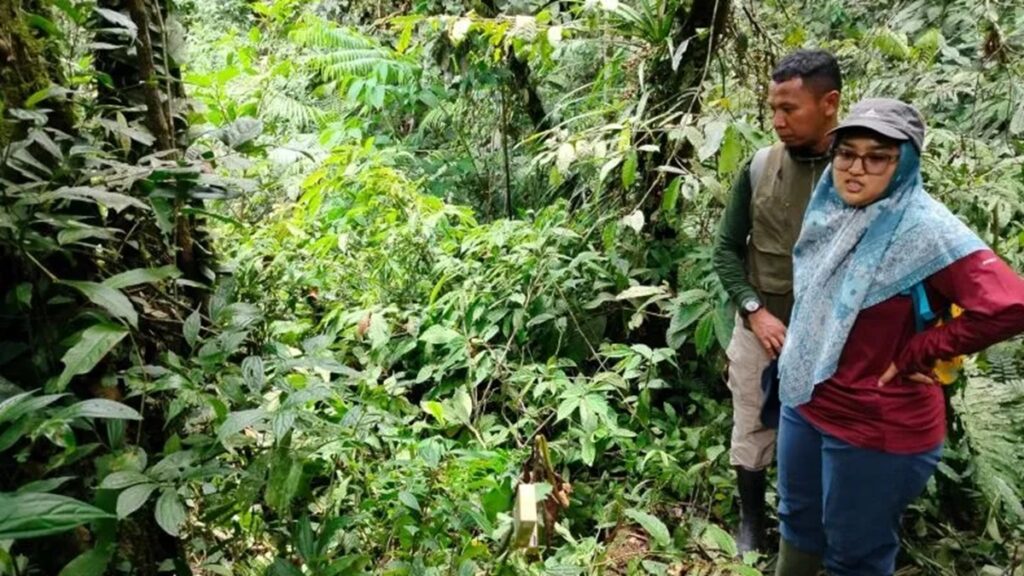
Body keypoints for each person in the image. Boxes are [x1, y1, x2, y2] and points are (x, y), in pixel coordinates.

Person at [774, 98, 1024, 575]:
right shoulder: (830, 208)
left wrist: (921, 350)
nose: (855, 169)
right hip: (806, 400)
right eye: (846, 152)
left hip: (875, 421)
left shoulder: (926, 229)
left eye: (877, 157)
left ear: (904, 161)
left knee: (856, 555)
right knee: (797, 523)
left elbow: (1010, 305)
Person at [712, 49, 841, 552]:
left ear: (829, 103)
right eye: (772, 109)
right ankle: (751, 525)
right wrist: (753, 309)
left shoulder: (861, 167)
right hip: (762, 329)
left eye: (791, 109)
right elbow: (726, 250)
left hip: (834, 338)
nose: (778, 120)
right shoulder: (761, 166)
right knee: (750, 421)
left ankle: (817, 531)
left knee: (827, 434)